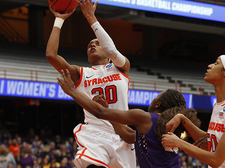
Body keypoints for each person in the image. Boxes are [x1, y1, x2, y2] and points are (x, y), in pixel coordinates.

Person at [45, 0, 136, 168]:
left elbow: (112, 50)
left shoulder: (120, 66)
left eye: (97, 43)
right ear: (87, 56)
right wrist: (59, 19)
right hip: (95, 132)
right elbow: (51, 55)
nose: (92, 46)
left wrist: (91, 18)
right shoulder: (82, 73)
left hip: (121, 133)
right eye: (89, 45)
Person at [57, 68, 201, 168]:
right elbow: (129, 136)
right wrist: (109, 110)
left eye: (156, 96)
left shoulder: (145, 118)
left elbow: (99, 112)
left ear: (158, 103)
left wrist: (72, 92)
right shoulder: (166, 124)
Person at [161, 53, 225, 167]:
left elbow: (215, 160)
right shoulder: (220, 105)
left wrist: (179, 143)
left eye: (216, 63)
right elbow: (209, 143)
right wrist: (182, 119)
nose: (210, 66)